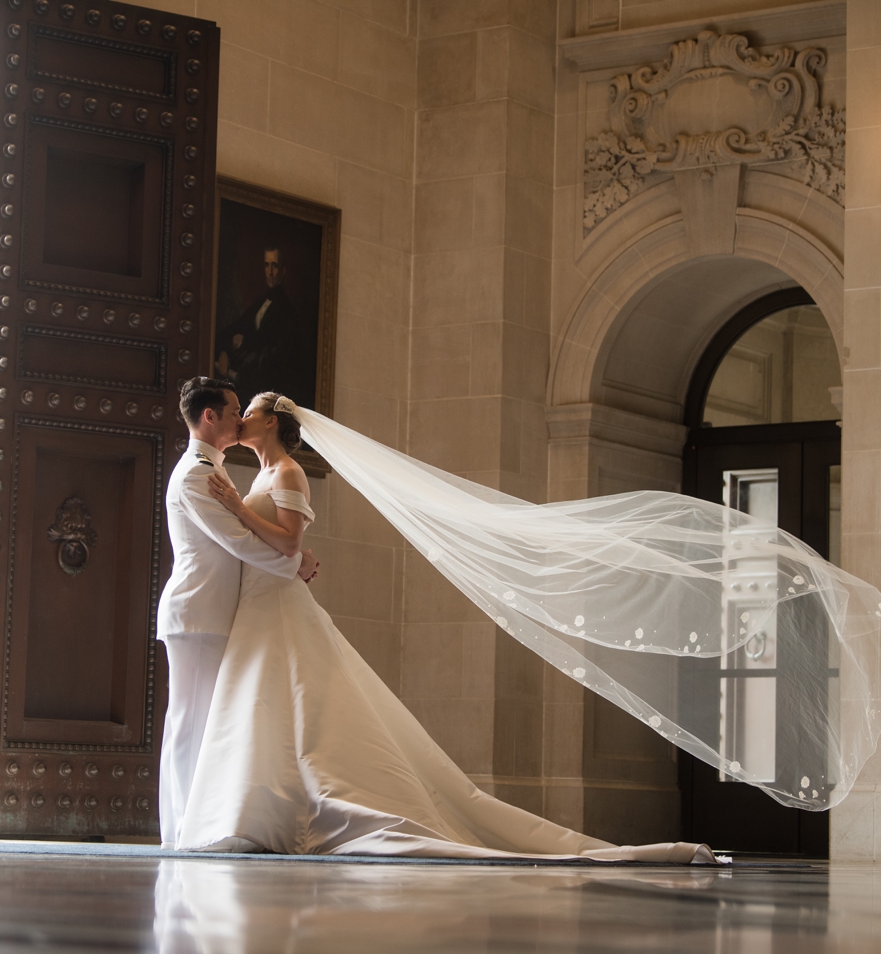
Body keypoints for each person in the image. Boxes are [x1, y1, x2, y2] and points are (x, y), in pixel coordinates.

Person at [177, 391, 719, 862]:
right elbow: (277, 545)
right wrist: (280, 544)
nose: (240, 419)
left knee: (293, 700)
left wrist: (252, 520)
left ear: (270, 421)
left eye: (247, 412)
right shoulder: (254, 474)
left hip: (276, 602)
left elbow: (286, 541)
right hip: (260, 601)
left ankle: (285, 811)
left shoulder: (288, 472)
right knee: (265, 702)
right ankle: (260, 812)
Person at [155, 377, 319, 848]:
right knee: (188, 724)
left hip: (214, 613)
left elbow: (251, 536)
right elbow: (238, 541)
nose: (239, 418)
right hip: (198, 612)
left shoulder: (218, 469)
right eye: (232, 412)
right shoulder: (194, 473)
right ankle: (180, 831)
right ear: (210, 416)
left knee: (203, 723)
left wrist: (294, 556)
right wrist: (295, 562)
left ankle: (193, 824)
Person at [215, 246, 310, 406]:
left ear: (283, 270)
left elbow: (275, 351)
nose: (270, 272)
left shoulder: (287, 311)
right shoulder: (261, 303)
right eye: (267, 265)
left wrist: (246, 341)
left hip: (265, 388)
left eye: (274, 265)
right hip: (247, 383)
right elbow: (235, 328)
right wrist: (223, 350)